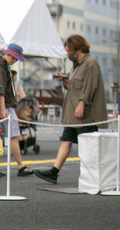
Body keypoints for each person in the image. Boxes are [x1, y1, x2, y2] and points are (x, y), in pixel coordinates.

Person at [34, 35, 108, 184]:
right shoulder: (77, 65)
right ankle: (54, 172)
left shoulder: (90, 63)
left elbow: (91, 87)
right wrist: (65, 80)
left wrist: (82, 104)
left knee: (88, 146)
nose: (67, 54)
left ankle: (93, 177)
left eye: (69, 50)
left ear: (77, 49)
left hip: (85, 114)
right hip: (73, 113)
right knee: (65, 141)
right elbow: (75, 86)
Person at [0, 43, 33, 176]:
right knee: (14, 136)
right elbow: (0, 91)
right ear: (6, 54)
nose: (15, 60)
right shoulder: (1, 69)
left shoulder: (0, 66)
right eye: (13, 57)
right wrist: (3, 109)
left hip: (1, 107)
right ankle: (20, 166)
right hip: (5, 107)